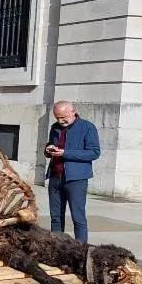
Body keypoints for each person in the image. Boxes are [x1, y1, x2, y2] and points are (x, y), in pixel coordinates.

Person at [45, 101, 100, 243]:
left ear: (73, 112)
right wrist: (48, 148)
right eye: (57, 117)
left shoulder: (87, 127)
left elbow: (94, 153)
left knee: (78, 217)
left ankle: (81, 251)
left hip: (76, 180)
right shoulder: (55, 128)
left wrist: (65, 153)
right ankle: (56, 248)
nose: (60, 121)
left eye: (63, 117)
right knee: (56, 217)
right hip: (55, 177)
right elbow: (51, 144)